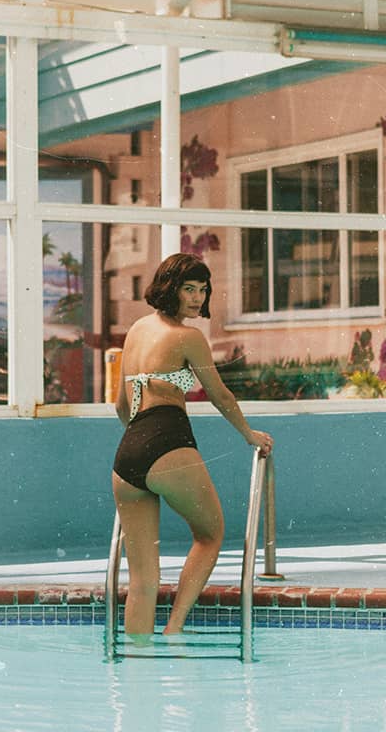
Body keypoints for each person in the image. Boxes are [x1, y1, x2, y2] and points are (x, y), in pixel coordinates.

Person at [112, 252, 273, 638]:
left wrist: (140, 438)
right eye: (189, 288)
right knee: (210, 534)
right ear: (170, 288)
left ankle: (139, 665)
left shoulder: (136, 330)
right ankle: (174, 629)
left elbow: (120, 403)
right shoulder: (188, 337)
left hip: (127, 453)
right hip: (168, 441)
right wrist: (250, 435)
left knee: (142, 579)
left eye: (202, 290)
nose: (197, 298)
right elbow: (221, 396)